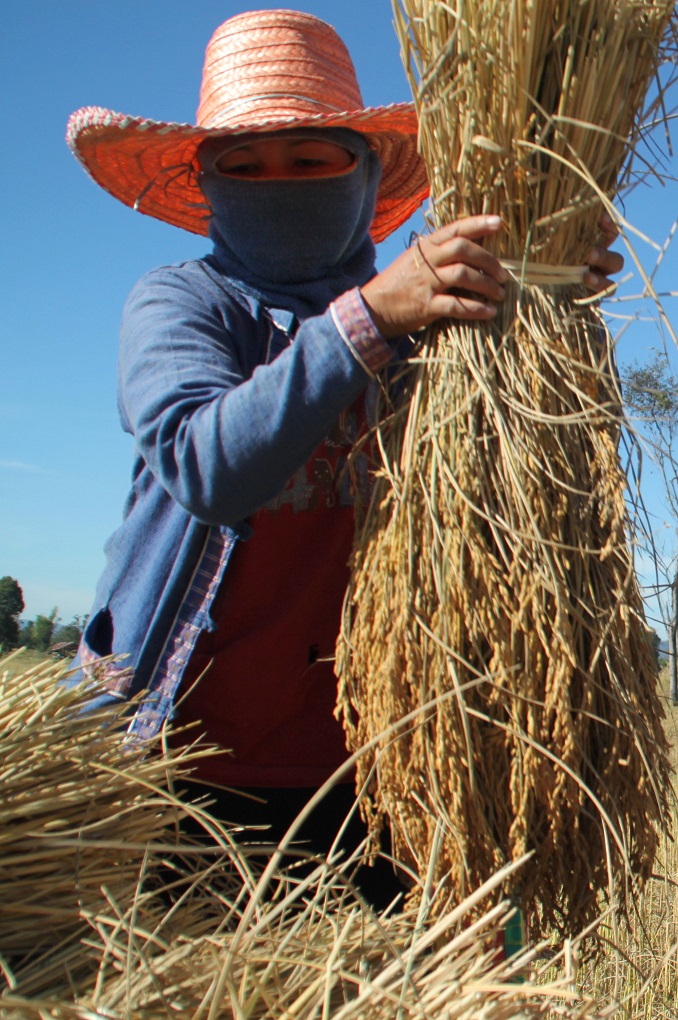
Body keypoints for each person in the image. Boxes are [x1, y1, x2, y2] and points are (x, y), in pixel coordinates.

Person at [66, 9, 622, 908]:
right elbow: (208, 465)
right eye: (243, 167)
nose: (276, 182)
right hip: (181, 770)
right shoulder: (183, 305)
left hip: (379, 780)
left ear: (364, 175)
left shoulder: (429, 319)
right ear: (207, 186)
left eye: (310, 159)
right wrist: (368, 321)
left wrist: (544, 283)